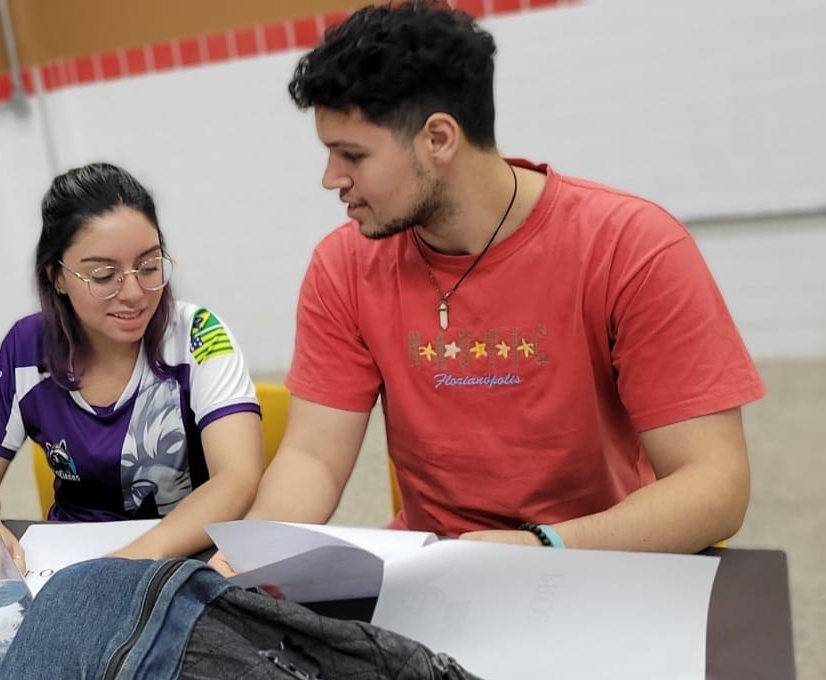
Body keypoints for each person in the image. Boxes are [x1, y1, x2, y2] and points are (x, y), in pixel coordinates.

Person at [214, 0, 764, 569]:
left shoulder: (631, 246)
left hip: (602, 558)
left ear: (439, 139)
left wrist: (539, 547)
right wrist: (240, 561)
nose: (332, 179)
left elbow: (715, 485)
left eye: (352, 155)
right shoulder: (344, 265)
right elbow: (312, 459)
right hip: (439, 568)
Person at [0, 162, 264, 594]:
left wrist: (127, 562)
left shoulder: (197, 335)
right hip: (69, 564)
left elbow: (237, 478)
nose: (133, 293)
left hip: (189, 560)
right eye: (103, 276)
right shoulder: (26, 348)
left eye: (148, 267)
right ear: (56, 277)